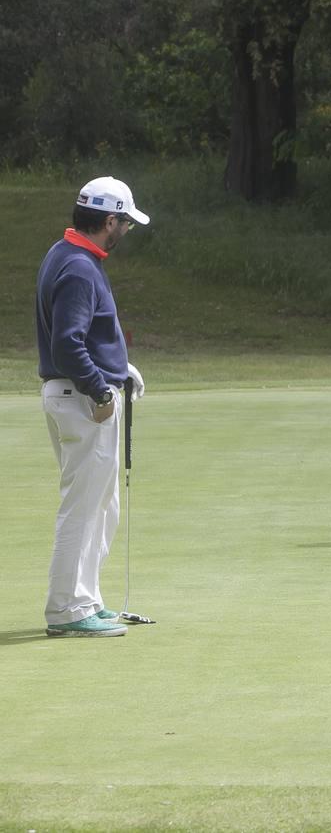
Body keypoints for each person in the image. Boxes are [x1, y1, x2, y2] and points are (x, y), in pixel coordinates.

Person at [35, 177, 150, 637]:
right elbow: (67, 342)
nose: (126, 230)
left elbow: (81, 336)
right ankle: (66, 611)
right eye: (125, 222)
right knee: (83, 508)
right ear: (109, 220)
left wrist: (119, 368)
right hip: (82, 400)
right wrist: (101, 389)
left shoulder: (65, 255)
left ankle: (85, 599)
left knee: (102, 507)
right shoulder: (80, 268)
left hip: (77, 393)